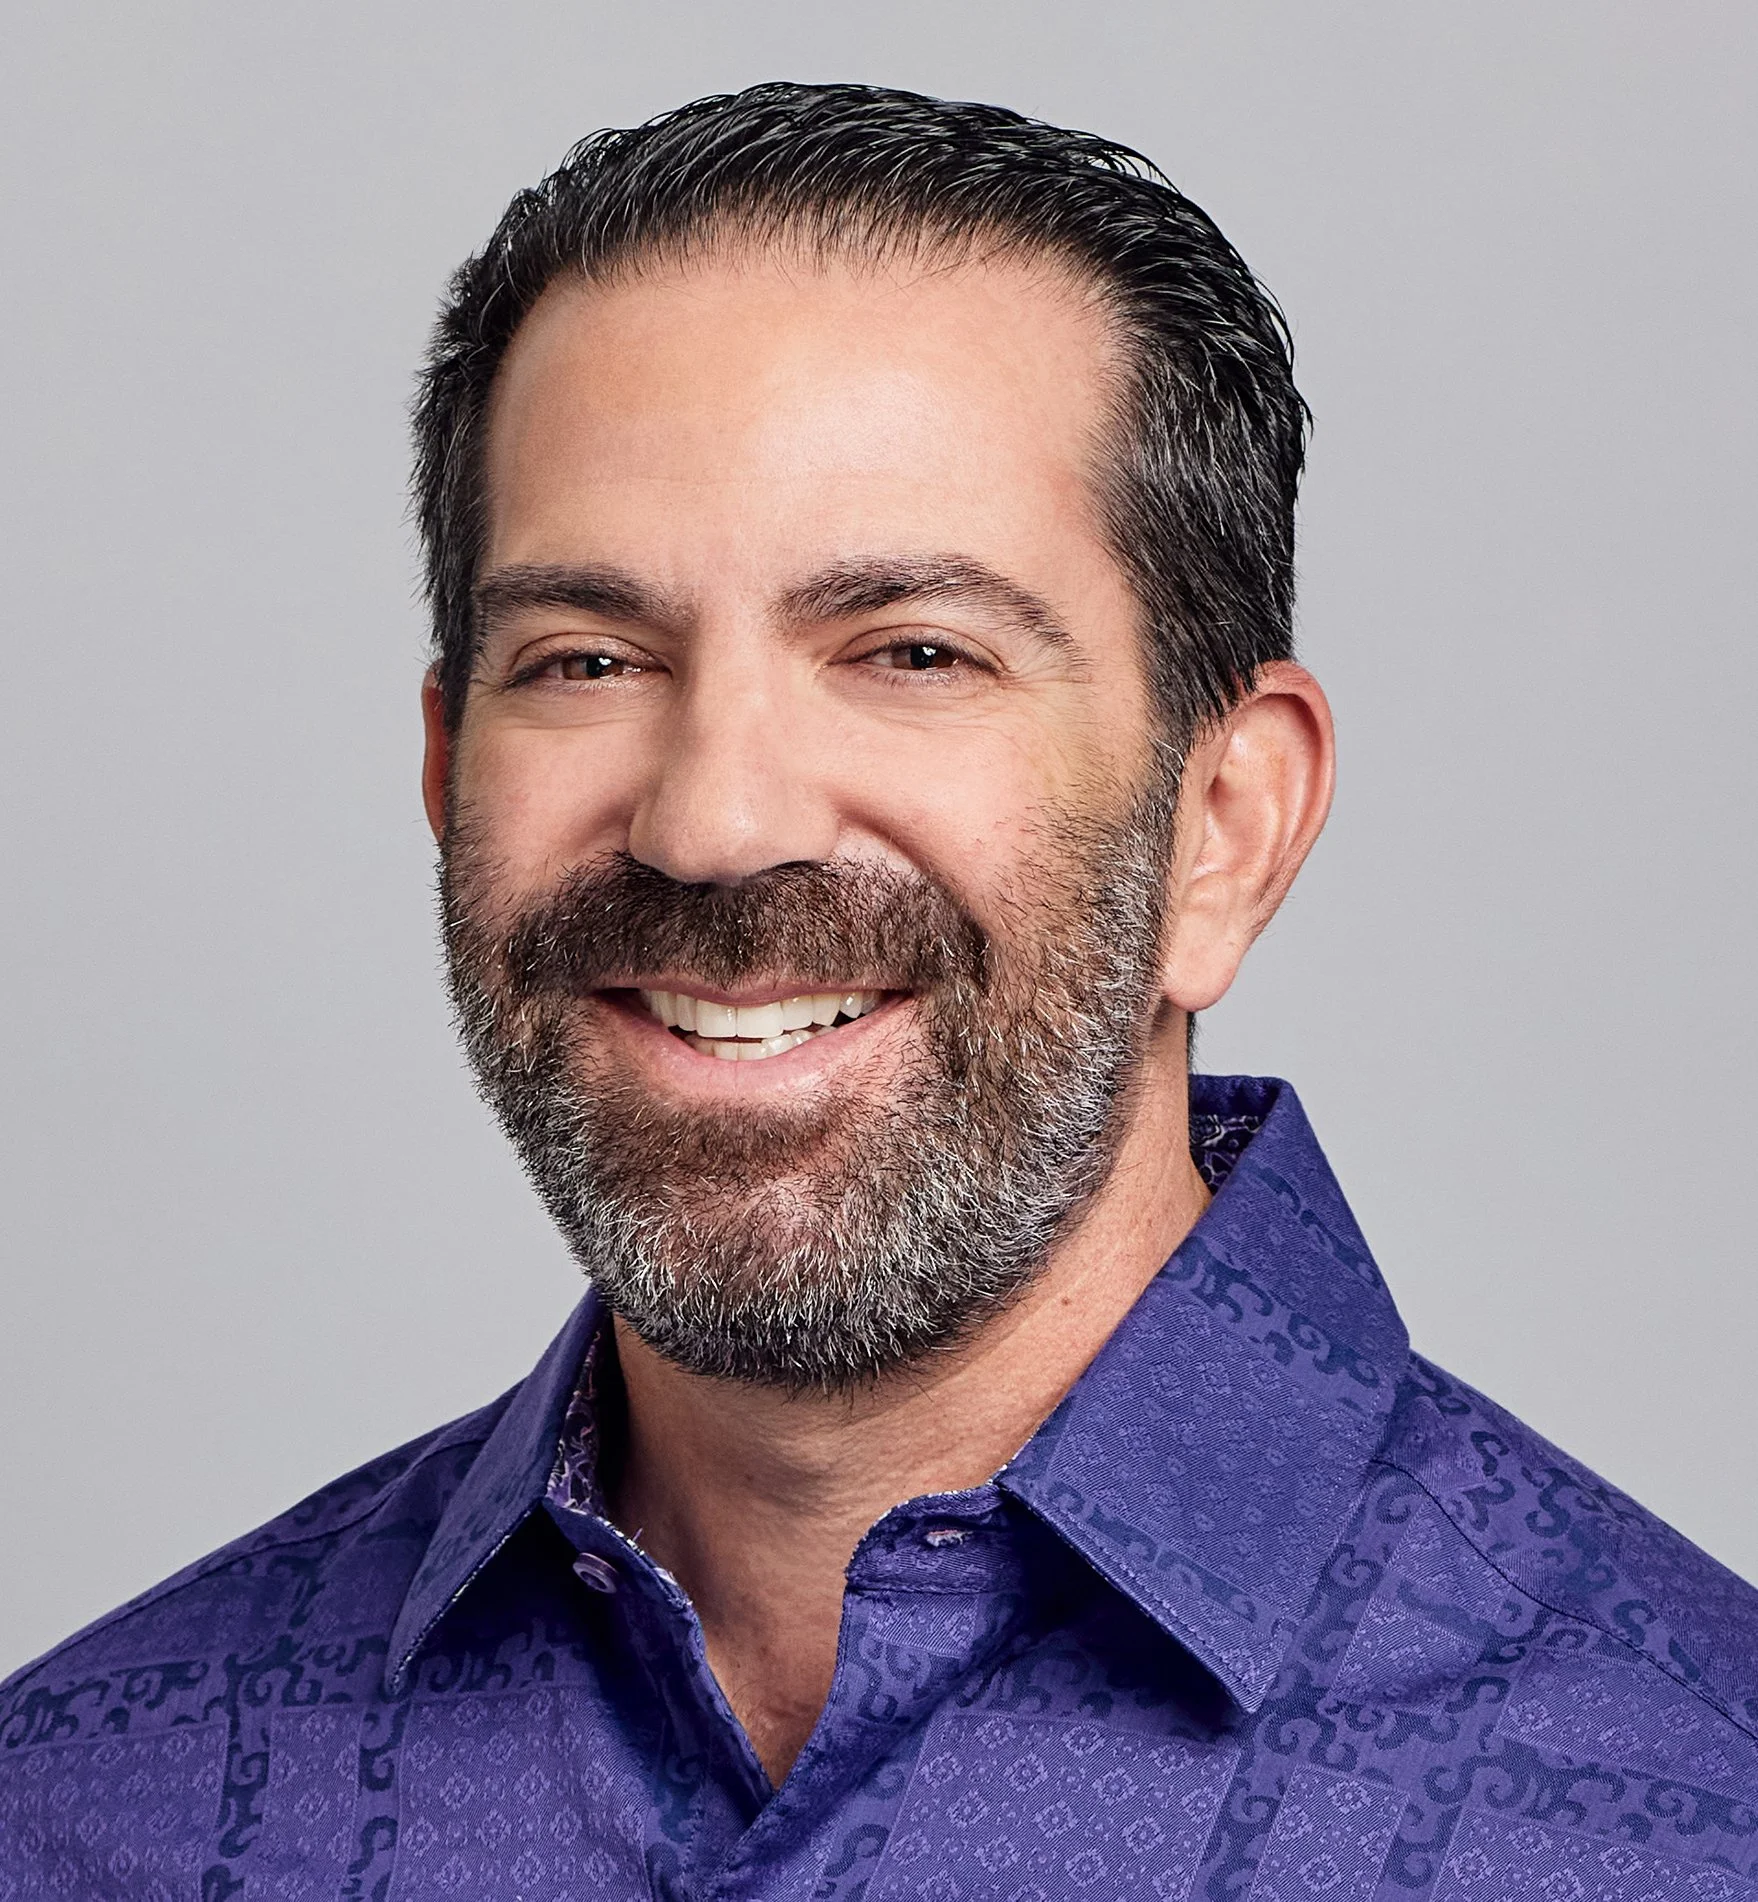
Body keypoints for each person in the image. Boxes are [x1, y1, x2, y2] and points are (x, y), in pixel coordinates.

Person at [4, 79, 1755, 1901]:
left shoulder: (1690, 1812)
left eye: (911, 650)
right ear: (448, 777)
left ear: (1222, 826)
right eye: (588, 657)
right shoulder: (86, 1807)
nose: (711, 817)